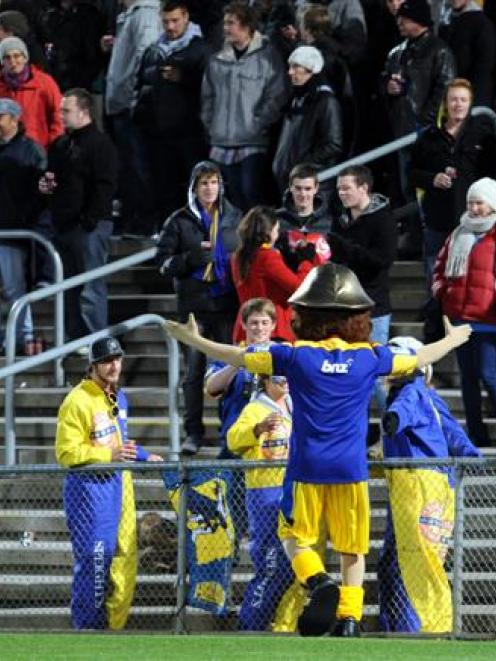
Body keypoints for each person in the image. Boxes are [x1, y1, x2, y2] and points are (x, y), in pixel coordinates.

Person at [164, 261, 472, 637]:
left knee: (294, 538)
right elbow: (419, 358)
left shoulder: (295, 356)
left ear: (304, 315)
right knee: (352, 549)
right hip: (351, 469)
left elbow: (238, 357)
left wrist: (194, 340)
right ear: (358, 318)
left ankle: (317, 581)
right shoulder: (369, 357)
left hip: (307, 466)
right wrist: (455, 340)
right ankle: (350, 620)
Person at [55, 336, 162, 630]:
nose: (114, 366)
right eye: (106, 361)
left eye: (117, 359)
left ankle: (112, 629)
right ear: (93, 365)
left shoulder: (117, 396)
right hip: (89, 490)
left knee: (124, 559)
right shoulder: (77, 400)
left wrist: (143, 455)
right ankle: (87, 628)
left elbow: (120, 442)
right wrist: (108, 454)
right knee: (94, 558)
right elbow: (66, 452)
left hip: (117, 485)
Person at [377, 336, 481, 633]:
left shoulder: (412, 392)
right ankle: (396, 626)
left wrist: (391, 421)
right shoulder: (422, 397)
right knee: (392, 562)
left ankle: (422, 628)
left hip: (418, 484)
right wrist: (471, 456)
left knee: (415, 559)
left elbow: (399, 418)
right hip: (410, 485)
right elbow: (453, 434)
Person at [156, 160, 241, 456]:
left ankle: (227, 430)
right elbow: (163, 265)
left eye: (214, 182)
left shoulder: (233, 217)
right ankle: (193, 433)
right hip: (194, 307)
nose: (209, 188)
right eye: (203, 182)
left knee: (228, 369)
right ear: (194, 187)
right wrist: (191, 258)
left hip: (226, 304)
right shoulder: (178, 220)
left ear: (221, 186)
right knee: (194, 373)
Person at [410, 78, 496, 343]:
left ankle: (473, 339)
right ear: (445, 104)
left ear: (470, 105)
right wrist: (431, 178)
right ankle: (434, 342)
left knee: (476, 283)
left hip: (476, 226)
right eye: (453, 99)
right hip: (439, 221)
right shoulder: (428, 137)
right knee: (435, 284)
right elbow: (411, 173)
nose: (458, 104)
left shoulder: (483, 136)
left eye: (463, 100)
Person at [39, 87, 118, 344]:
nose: (61, 115)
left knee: (91, 287)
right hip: (64, 226)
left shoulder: (100, 144)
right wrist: (45, 187)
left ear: (84, 112)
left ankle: (97, 343)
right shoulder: (62, 144)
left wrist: (89, 220)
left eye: (66, 110)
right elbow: (53, 179)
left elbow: (106, 185)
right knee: (69, 288)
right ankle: (74, 339)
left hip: (88, 227)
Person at [201, 0, 287, 212]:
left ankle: (259, 238)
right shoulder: (217, 59)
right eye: (225, 23)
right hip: (221, 140)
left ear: (247, 26)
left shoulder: (267, 56)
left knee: (251, 191)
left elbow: (276, 95)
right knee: (232, 197)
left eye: (231, 23)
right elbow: (207, 96)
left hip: (253, 141)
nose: (225, 28)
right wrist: (211, 123)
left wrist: (259, 123)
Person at [227, 373, 294, 631]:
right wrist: (258, 429)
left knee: (288, 564)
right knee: (270, 562)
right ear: (265, 381)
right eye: (278, 377)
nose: (284, 381)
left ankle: (275, 622)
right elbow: (233, 440)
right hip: (264, 490)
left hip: (290, 487)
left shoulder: (292, 404)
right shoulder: (255, 408)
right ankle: (250, 623)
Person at [432, 177, 496, 446]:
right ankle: (476, 434)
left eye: (479, 202)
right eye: (471, 202)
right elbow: (439, 266)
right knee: (467, 380)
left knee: (490, 376)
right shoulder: (458, 233)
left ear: (492, 205)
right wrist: (441, 290)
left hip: (489, 321)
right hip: (459, 319)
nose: (474, 208)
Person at [133, 0, 210, 222]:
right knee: (164, 186)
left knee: (194, 185)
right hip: (159, 131)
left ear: (186, 17)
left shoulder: (200, 49)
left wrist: (184, 79)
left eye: (175, 21)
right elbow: (141, 82)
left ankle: (199, 228)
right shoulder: (154, 50)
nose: (170, 27)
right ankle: (169, 229)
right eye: (165, 21)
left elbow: (209, 88)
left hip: (190, 131)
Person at [331, 165, 397, 415]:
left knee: (376, 375)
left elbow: (383, 261)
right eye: (339, 188)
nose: (341, 193)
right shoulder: (342, 219)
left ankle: (393, 435)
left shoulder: (383, 219)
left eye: (346, 188)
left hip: (373, 308)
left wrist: (346, 248)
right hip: (342, 306)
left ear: (364, 188)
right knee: (345, 376)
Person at [103, 0, 161, 235]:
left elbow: (145, 55)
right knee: (127, 166)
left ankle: (144, 220)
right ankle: (130, 217)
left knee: (139, 165)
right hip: (120, 103)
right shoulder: (127, 16)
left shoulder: (145, 14)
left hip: (131, 105)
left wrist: (132, 96)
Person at [0, 97, 45, 354]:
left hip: (15, 230)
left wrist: (29, 218)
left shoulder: (31, 150)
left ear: (13, 119)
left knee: (15, 287)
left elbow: (41, 192)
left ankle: (22, 337)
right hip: (5, 228)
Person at [230, 205, 315, 344]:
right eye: (277, 229)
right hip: (271, 329)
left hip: (246, 327)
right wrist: (305, 262)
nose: (278, 233)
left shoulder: (238, 256)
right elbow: (300, 288)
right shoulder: (267, 256)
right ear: (269, 231)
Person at [272, 45, 343, 196]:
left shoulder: (325, 101)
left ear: (312, 69)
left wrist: (302, 165)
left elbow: (333, 145)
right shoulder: (296, 99)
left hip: (311, 185)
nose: (290, 72)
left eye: (296, 67)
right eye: (290, 66)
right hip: (291, 181)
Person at [0, 35, 62, 148]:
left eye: (17, 56)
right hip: (5, 153)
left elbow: (58, 115)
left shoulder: (44, 82)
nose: (13, 61)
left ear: (25, 57)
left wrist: (53, 144)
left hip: (38, 150)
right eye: (7, 57)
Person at [276, 162, 332, 273]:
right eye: (298, 188)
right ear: (290, 187)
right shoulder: (276, 220)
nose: (303, 194)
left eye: (307, 189)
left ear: (316, 188)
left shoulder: (329, 222)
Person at [438, 0, 495, 107]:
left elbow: (484, 69)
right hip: (447, 98)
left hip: (469, 99)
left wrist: (474, 102)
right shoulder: (445, 22)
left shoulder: (482, 23)